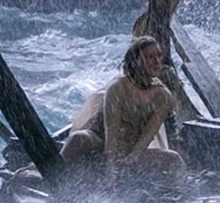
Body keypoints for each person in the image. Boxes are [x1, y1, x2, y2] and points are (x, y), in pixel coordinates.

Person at [61, 35, 186, 190]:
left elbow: (148, 135)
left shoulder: (163, 95)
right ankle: (55, 178)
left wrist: (132, 158)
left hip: (131, 148)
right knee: (77, 138)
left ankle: (179, 196)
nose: (156, 61)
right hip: (101, 141)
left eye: (159, 56)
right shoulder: (118, 87)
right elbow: (111, 133)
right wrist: (111, 172)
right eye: (149, 57)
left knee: (174, 159)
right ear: (136, 61)